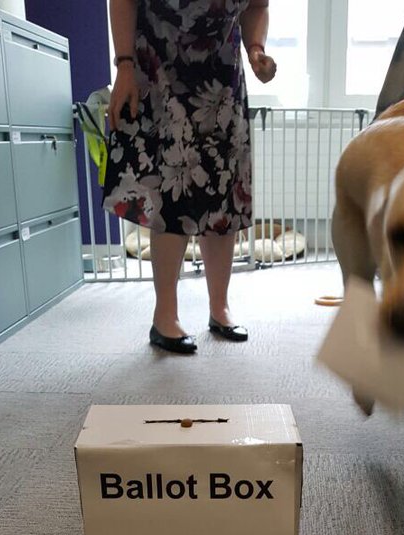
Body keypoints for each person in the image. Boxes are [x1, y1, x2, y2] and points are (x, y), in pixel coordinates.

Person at [104, 0, 277, 354]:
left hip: (222, 76)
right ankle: (164, 315)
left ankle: (220, 308)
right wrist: (124, 67)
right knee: (169, 190)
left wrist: (256, 48)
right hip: (159, 69)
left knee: (223, 190)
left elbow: (257, 5)